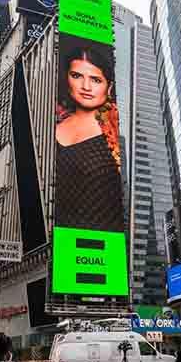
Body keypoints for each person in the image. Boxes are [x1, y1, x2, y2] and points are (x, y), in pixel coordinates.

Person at [55, 43, 125, 233]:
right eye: (77, 76)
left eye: (95, 79)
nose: (86, 87)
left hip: (105, 248)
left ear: (109, 86)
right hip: (55, 245)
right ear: (67, 79)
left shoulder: (116, 132)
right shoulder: (49, 128)